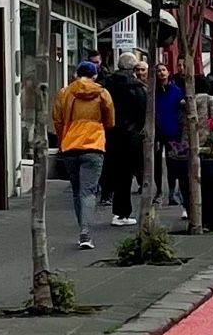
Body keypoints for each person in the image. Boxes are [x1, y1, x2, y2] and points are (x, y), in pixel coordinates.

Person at [52, 59, 114, 249]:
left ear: (76, 74)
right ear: (95, 75)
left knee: (77, 191)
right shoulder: (102, 93)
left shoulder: (64, 93)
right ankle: (85, 233)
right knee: (89, 191)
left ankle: (83, 229)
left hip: (70, 145)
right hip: (94, 145)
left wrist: (64, 140)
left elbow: (58, 120)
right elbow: (110, 120)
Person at [103, 52, 147, 226]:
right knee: (127, 174)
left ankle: (114, 205)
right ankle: (123, 212)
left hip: (110, 134)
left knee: (112, 171)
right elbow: (143, 113)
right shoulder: (137, 88)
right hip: (130, 136)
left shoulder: (107, 85)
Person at [153, 62, 187, 206]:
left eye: (163, 70)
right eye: (158, 70)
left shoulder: (176, 90)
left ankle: (172, 192)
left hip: (174, 131)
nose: (161, 73)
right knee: (156, 164)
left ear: (168, 72)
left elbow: (183, 108)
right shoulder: (152, 92)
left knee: (173, 162)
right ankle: (159, 190)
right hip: (157, 132)